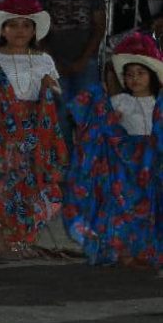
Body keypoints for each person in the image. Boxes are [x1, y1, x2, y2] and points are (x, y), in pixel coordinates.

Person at [0, 0, 66, 259]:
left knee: (28, 180)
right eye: (13, 25)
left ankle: (23, 239)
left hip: (32, 129)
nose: (20, 31)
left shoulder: (44, 59)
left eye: (26, 25)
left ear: (34, 30)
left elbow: (56, 91)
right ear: (2, 30)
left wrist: (47, 85)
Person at [64, 33, 163, 269]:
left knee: (149, 208)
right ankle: (124, 251)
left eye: (141, 73)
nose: (135, 79)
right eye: (130, 75)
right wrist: (109, 119)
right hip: (124, 165)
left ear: (152, 76)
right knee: (124, 207)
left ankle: (145, 251)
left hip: (151, 164)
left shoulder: (158, 103)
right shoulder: (119, 102)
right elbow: (100, 124)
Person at [37, 0, 106, 140]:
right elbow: (37, 28)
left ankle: (85, 163)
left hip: (86, 61)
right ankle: (63, 161)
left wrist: (84, 59)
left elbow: (99, 26)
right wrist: (51, 59)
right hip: (52, 60)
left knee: (86, 113)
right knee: (58, 114)